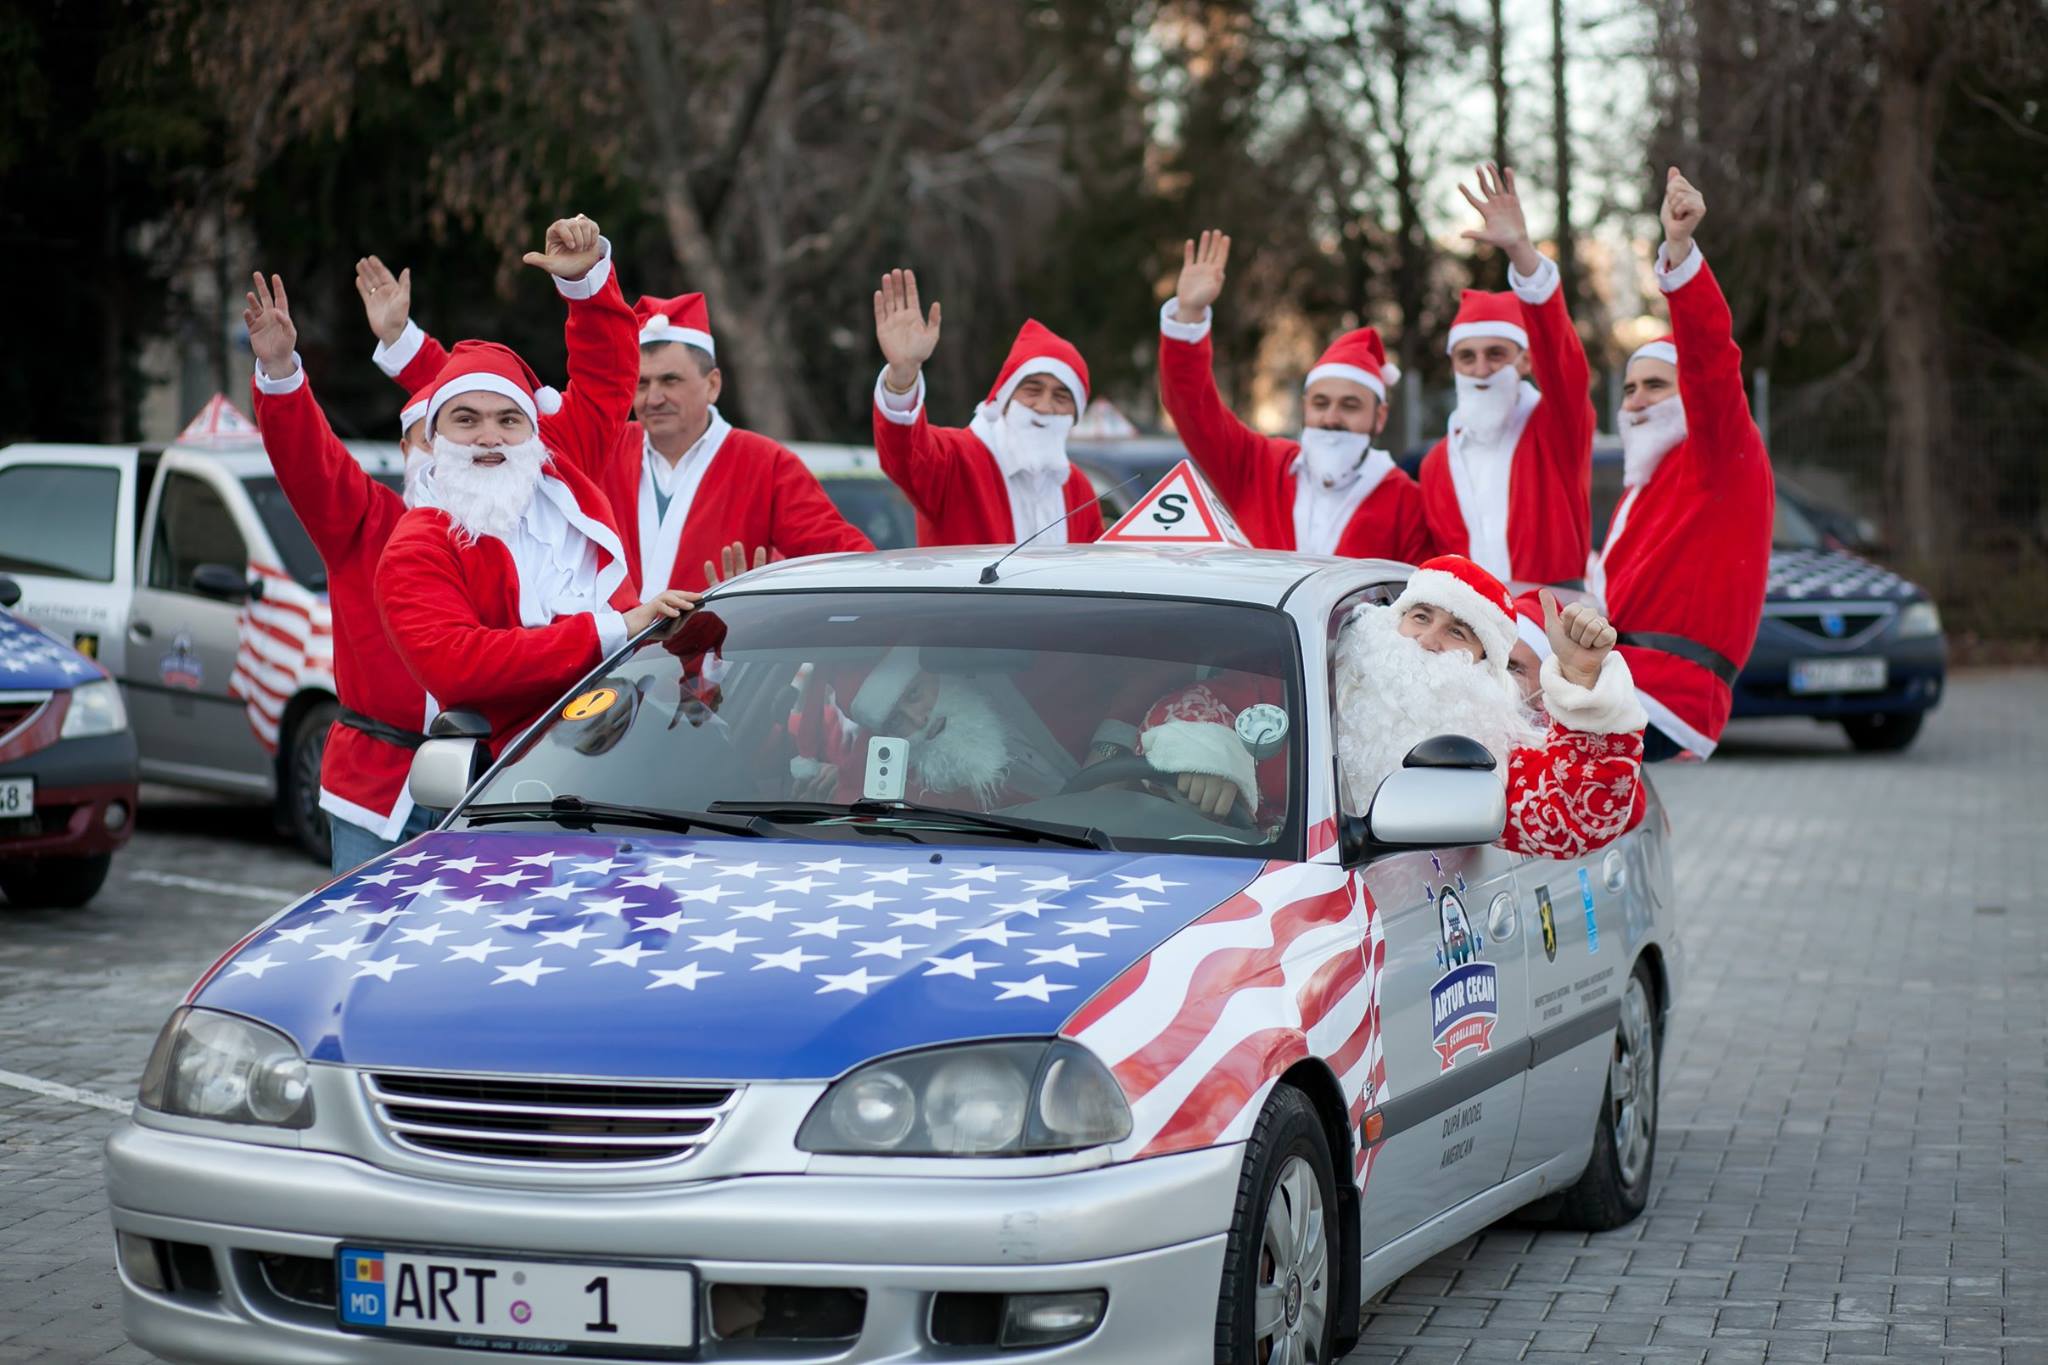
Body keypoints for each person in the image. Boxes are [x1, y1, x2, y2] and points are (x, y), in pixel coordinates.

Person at [359, 265, 873, 592]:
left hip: (729, 685)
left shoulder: (764, 462)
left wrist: (763, 591)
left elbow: (846, 560)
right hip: (610, 682)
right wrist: (403, 342)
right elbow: (486, 401)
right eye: (643, 382)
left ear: (713, 384)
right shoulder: (603, 447)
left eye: (671, 380)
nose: (653, 397)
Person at [375, 341, 697, 752]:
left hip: (641, 736)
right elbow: (457, 664)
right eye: (467, 420)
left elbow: (607, 373)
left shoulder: (565, 487)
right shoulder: (416, 544)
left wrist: (586, 283)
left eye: (509, 420)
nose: (490, 438)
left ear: (532, 433)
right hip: (525, 772)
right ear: (436, 438)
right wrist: (617, 628)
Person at [1587, 168, 1774, 760]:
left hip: (1668, 692)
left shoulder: (1717, 456)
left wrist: (1679, 254)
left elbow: (1711, 361)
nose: (1637, 400)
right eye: (1630, 388)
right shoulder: (1647, 482)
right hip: (1623, 676)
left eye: (1656, 386)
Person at [1335, 555, 1647, 858]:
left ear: (1483, 668)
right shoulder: (1321, 673)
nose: (1427, 640)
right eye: (1421, 617)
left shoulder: (1490, 755)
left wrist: (1582, 682)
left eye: (1456, 632)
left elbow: (1570, 821)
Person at [1159, 230, 1431, 560]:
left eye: (1350, 405)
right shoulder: (1257, 466)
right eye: (1320, 403)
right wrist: (1189, 315)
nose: (1331, 418)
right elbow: (1192, 407)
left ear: (1380, 417)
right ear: (1304, 408)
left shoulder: (1407, 501)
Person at [1417, 165, 1595, 585]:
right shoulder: (1436, 462)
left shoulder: (1557, 427)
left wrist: (1522, 254)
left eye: (1496, 354)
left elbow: (1561, 354)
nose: (1480, 370)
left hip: (1552, 630)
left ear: (1526, 362)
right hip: (1467, 636)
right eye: (1467, 357)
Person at [871, 269, 1106, 546]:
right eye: (1032, 389)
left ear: (1075, 414)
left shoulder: (1077, 488)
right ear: (1004, 398)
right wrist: (903, 376)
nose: (1044, 407)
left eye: (1061, 397)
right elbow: (904, 456)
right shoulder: (956, 460)